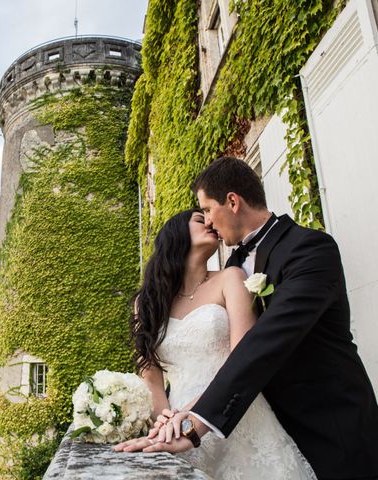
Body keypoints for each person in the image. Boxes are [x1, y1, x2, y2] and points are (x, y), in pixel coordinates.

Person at [116, 157, 378, 479]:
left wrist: (196, 423)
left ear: (232, 201)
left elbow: (266, 341)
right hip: (253, 418)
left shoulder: (310, 249)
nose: (209, 222)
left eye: (207, 210)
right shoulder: (235, 265)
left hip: (328, 422)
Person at [118, 207, 316, 478]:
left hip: (233, 413)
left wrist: (191, 416)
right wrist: (166, 421)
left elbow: (242, 356)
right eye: (200, 219)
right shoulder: (148, 302)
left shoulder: (231, 278)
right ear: (176, 235)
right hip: (177, 421)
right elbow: (151, 378)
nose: (210, 222)